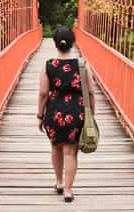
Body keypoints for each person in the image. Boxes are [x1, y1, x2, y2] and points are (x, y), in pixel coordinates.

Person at [37, 27, 95, 202]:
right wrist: (92, 112)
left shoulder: (49, 65)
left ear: (55, 44)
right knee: (70, 151)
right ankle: (69, 191)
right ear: (73, 43)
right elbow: (91, 92)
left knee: (56, 147)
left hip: (54, 113)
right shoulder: (83, 64)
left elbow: (43, 93)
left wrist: (40, 115)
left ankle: (59, 182)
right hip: (76, 113)